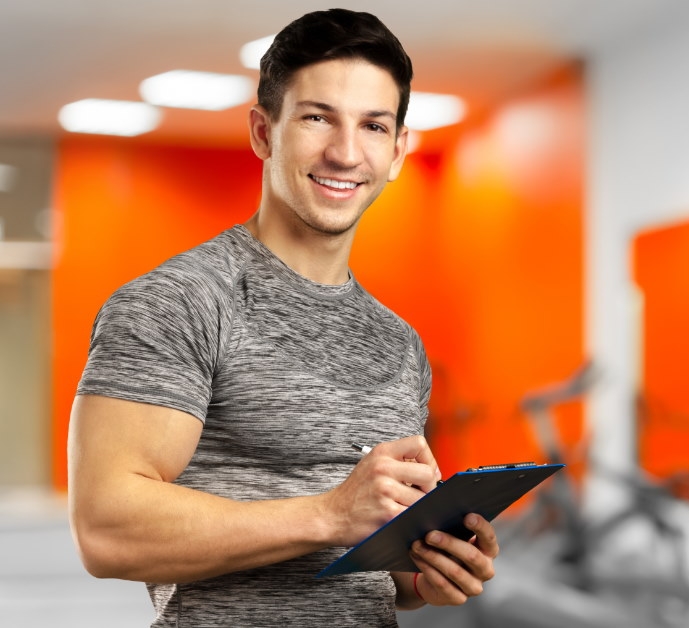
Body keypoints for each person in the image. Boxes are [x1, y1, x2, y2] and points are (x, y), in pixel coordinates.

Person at [66, 9, 498, 627]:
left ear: (398, 150)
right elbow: (104, 531)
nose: (346, 152)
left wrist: (430, 567)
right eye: (317, 117)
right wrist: (328, 513)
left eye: (373, 126)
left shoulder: (399, 343)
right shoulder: (177, 303)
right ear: (264, 132)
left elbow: (381, 569)